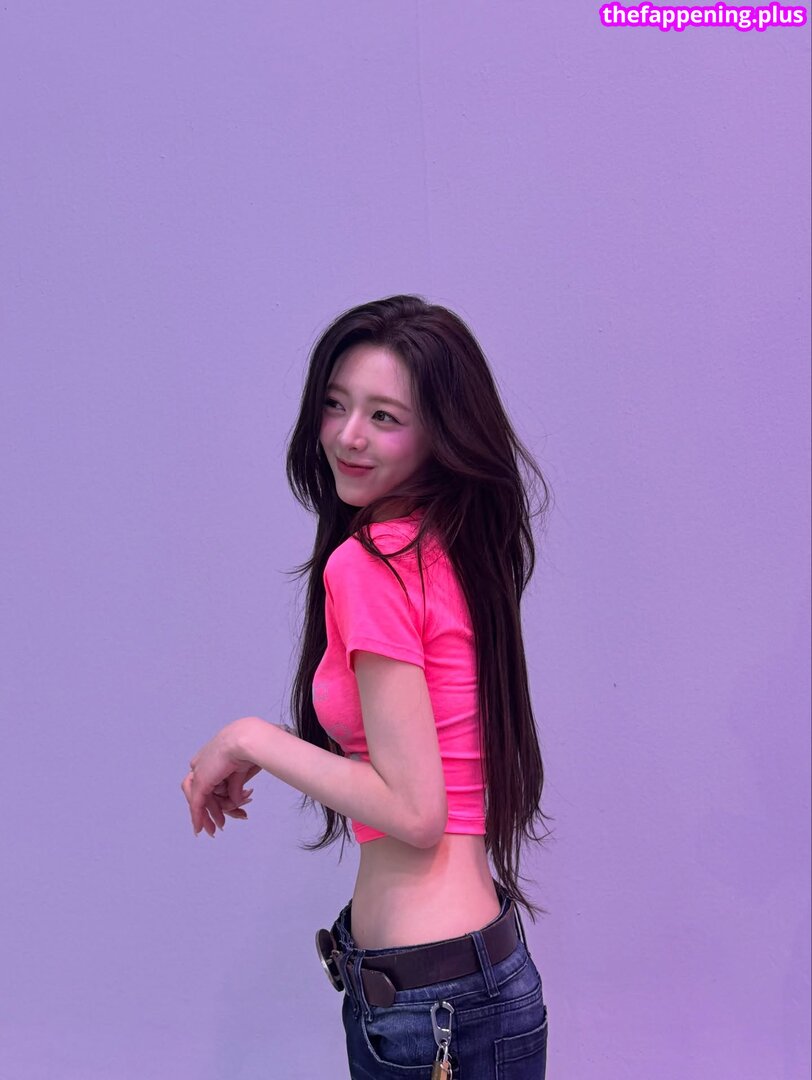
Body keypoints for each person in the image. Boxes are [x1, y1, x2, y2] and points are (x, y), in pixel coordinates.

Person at [180, 294, 554, 1078]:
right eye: (336, 404)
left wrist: (251, 739)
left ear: (439, 433)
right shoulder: (448, 547)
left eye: (385, 417)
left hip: (434, 1005)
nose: (348, 436)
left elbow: (415, 812)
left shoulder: (373, 563)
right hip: (464, 983)